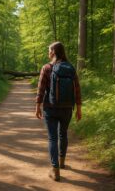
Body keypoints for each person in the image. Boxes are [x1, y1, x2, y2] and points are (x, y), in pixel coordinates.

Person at [35, 41, 82, 181]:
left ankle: (55, 170)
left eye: (49, 50)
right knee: (63, 135)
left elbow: (41, 89)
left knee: (52, 138)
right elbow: (77, 90)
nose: (48, 53)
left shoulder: (47, 67)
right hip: (67, 107)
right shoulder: (71, 68)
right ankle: (62, 162)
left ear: (54, 52)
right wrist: (79, 108)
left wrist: (37, 106)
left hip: (50, 107)